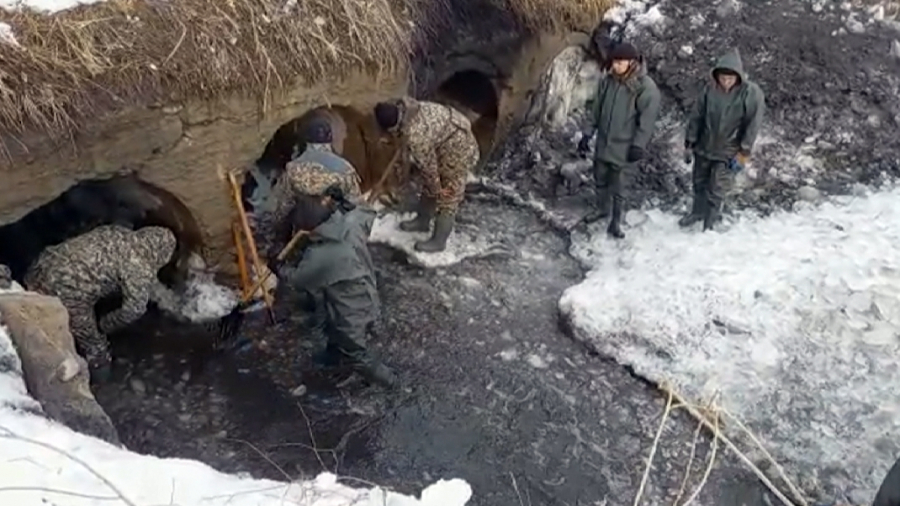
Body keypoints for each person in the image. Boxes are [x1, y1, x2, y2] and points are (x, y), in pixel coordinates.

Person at [267, 179, 397, 388]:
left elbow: (300, 279)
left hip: (352, 305)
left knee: (355, 349)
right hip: (358, 286)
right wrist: (344, 200)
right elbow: (366, 212)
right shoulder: (350, 222)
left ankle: (389, 383)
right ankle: (334, 358)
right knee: (331, 326)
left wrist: (277, 267)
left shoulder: (322, 254)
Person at [24, 225, 178, 382]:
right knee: (95, 347)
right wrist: (105, 324)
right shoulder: (139, 268)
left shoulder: (117, 231)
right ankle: (100, 383)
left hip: (44, 265)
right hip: (66, 289)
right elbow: (134, 309)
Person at [373, 97, 480, 253]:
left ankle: (439, 241)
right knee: (429, 184)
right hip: (444, 135)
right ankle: (422, 221)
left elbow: (429, 169)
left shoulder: (416, 136)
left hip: (459, 149)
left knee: (447, 195)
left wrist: (437, 189)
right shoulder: (406, 106)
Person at [577, 41, 661, 239]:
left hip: (625, 146)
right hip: (604, 143)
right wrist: (587, 134)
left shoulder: (644, 87)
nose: (616, 66)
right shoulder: (608, 81)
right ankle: (602, 209)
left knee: (620, 186)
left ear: (632, 63)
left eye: (621, 63)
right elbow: (596, 110)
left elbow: (646, 121)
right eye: (614, 62)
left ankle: (616, 221)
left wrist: (638, 145)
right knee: (600, 178)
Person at [680, 48, 765, 231]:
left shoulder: (750, 93)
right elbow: (697, 116)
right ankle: (697, 212)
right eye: (723, 78)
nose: (726, 82)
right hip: (705, 145)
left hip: (729, 149)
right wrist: (690, 142)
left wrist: (744, 152)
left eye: (730, 78)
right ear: (716, 76)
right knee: (699, 182)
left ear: (738, 77)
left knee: (717, 188)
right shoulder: (709, 91)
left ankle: (710, 223)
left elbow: (753, 124)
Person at [255, 116, 362, 259]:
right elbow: (358, 210)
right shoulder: (345, 169)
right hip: (337, 239)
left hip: (302, 239)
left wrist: (272, 237)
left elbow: (279, 210)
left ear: (305, 140)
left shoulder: (293, 168)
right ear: (330, 138)